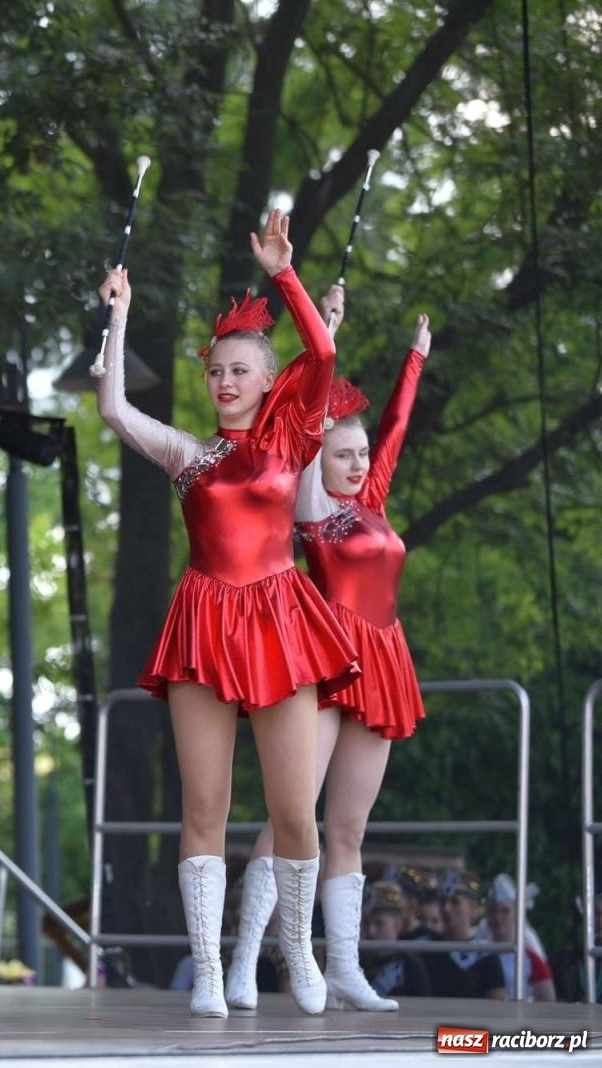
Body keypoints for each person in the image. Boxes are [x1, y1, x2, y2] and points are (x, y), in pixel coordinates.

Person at [95, 209, 355, 1017]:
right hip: (205, 622)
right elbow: (114, 411)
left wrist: (285, 273)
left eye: (241, 370)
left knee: (294, 811)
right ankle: (208, 967)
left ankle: (297, 949)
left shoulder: (291, 439)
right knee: (202, 807)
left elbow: (323, 354)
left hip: (280, 619)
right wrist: (120, 316)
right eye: (216, 371)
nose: (225, 381)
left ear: (268, 381)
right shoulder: (189, 454)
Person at [226, 298, 432, 1013]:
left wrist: (415, 359)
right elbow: (308, 421)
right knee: (293, 815)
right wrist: (329, 332)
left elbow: (395, 427)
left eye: (360, 454)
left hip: (384, 663)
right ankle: (244, 961)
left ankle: (344, 967)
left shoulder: (373, 499)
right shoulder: (314, 509)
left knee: (348, 828)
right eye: (343, 453)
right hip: (326, 659)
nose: (357, 463)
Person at [423, 872, 506, 999]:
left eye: (455, 902)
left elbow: (498, 1001)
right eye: (443, 901)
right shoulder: (427, 950)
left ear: (473, 908)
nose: (446, 908)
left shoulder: (485, 955)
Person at [483, 874, 555, 1001]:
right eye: (493, 911)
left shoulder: (530, 959)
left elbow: (548, 1002)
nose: (498, 917)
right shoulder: (478, 953)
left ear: (516, 914)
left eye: (505, 911)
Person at [360, 880, 431, 998]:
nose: (371, 931)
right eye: (367, 923)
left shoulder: (411, 966)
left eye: (379, 923)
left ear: (397, 925)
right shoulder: (356, 962)